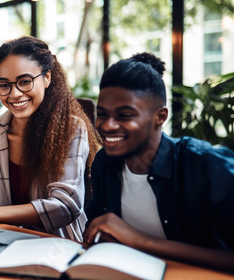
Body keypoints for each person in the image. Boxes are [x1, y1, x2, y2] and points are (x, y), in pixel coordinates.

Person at [84, 52, 234, 272]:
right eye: (102, 114)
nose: (107, 126)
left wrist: (140, 241)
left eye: (124, 115)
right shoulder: (104, 163)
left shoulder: (206, 165)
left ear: (160, 116)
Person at [0, 36, 101, 241]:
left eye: (25, 81)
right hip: (3, 239)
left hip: (56, 245)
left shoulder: (70, 129)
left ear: (47, 78)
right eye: (4, 84)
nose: (14, 94)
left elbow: (65, 206)